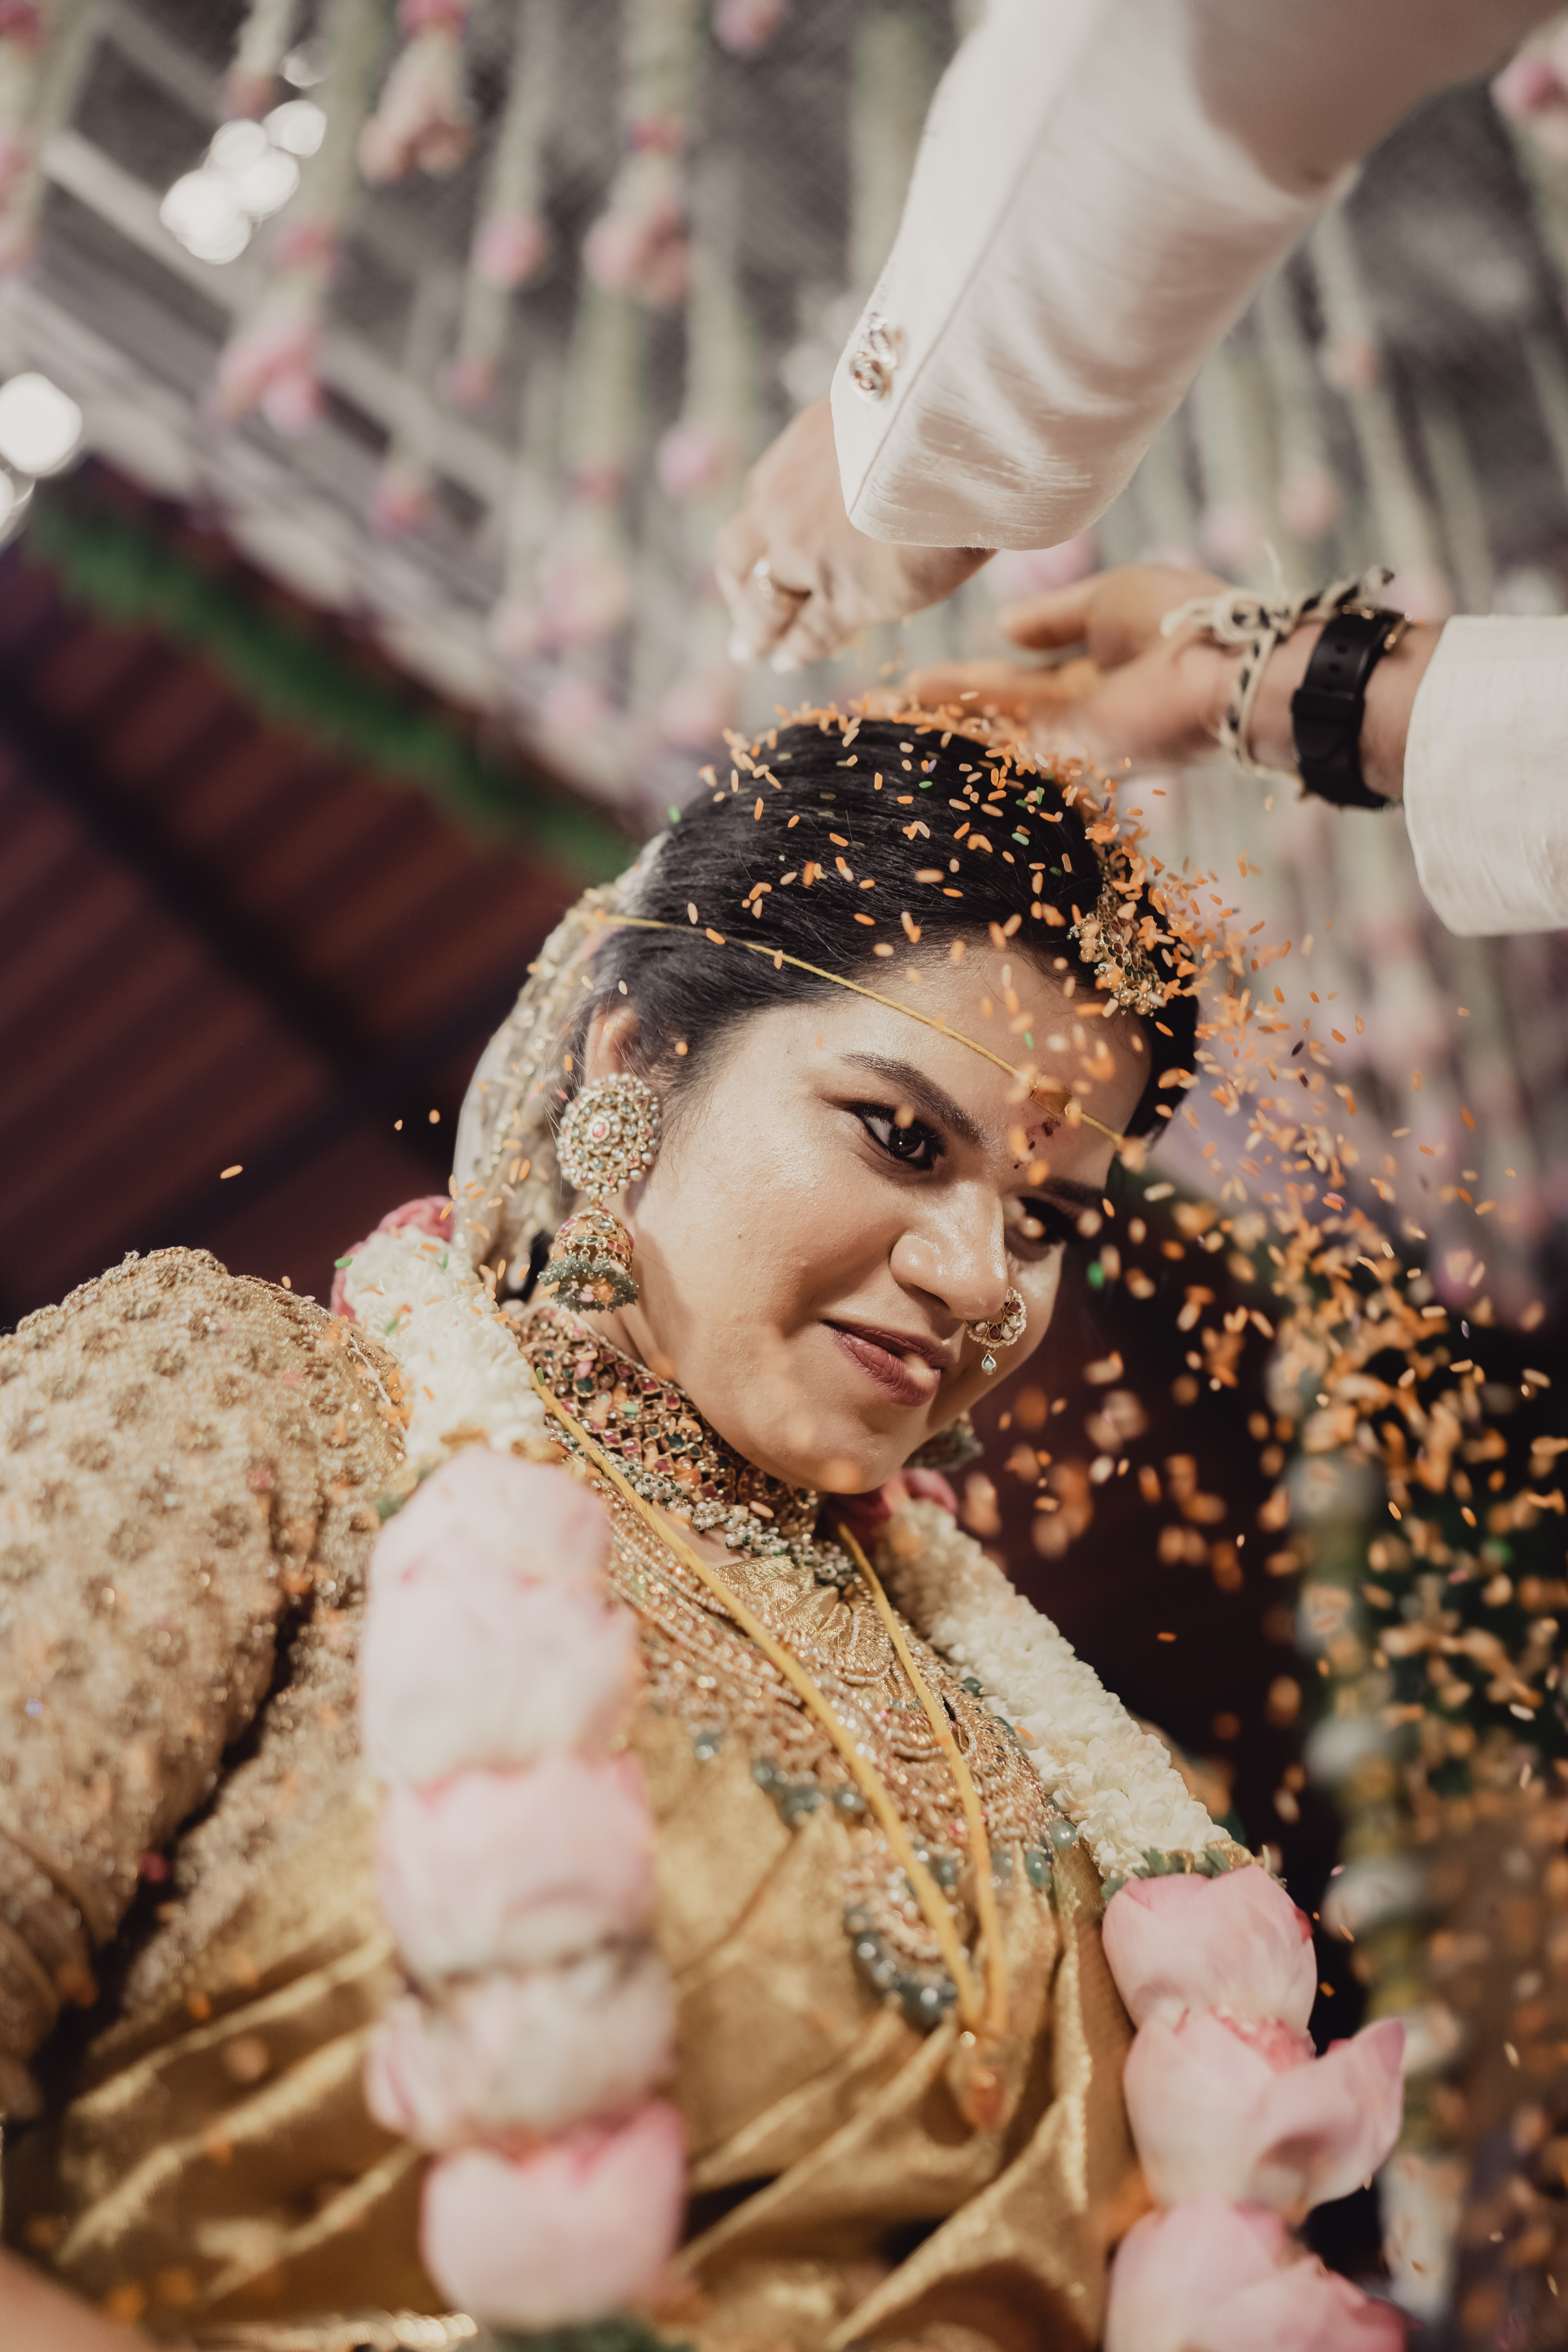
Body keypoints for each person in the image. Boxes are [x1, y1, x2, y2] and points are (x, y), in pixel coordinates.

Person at [0, 716, 1404, 2351]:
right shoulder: (256, 1410)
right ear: (631, 1062)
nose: (981, 1275)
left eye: (1046, 1218)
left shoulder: (1078, 1766)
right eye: (903, 1131)